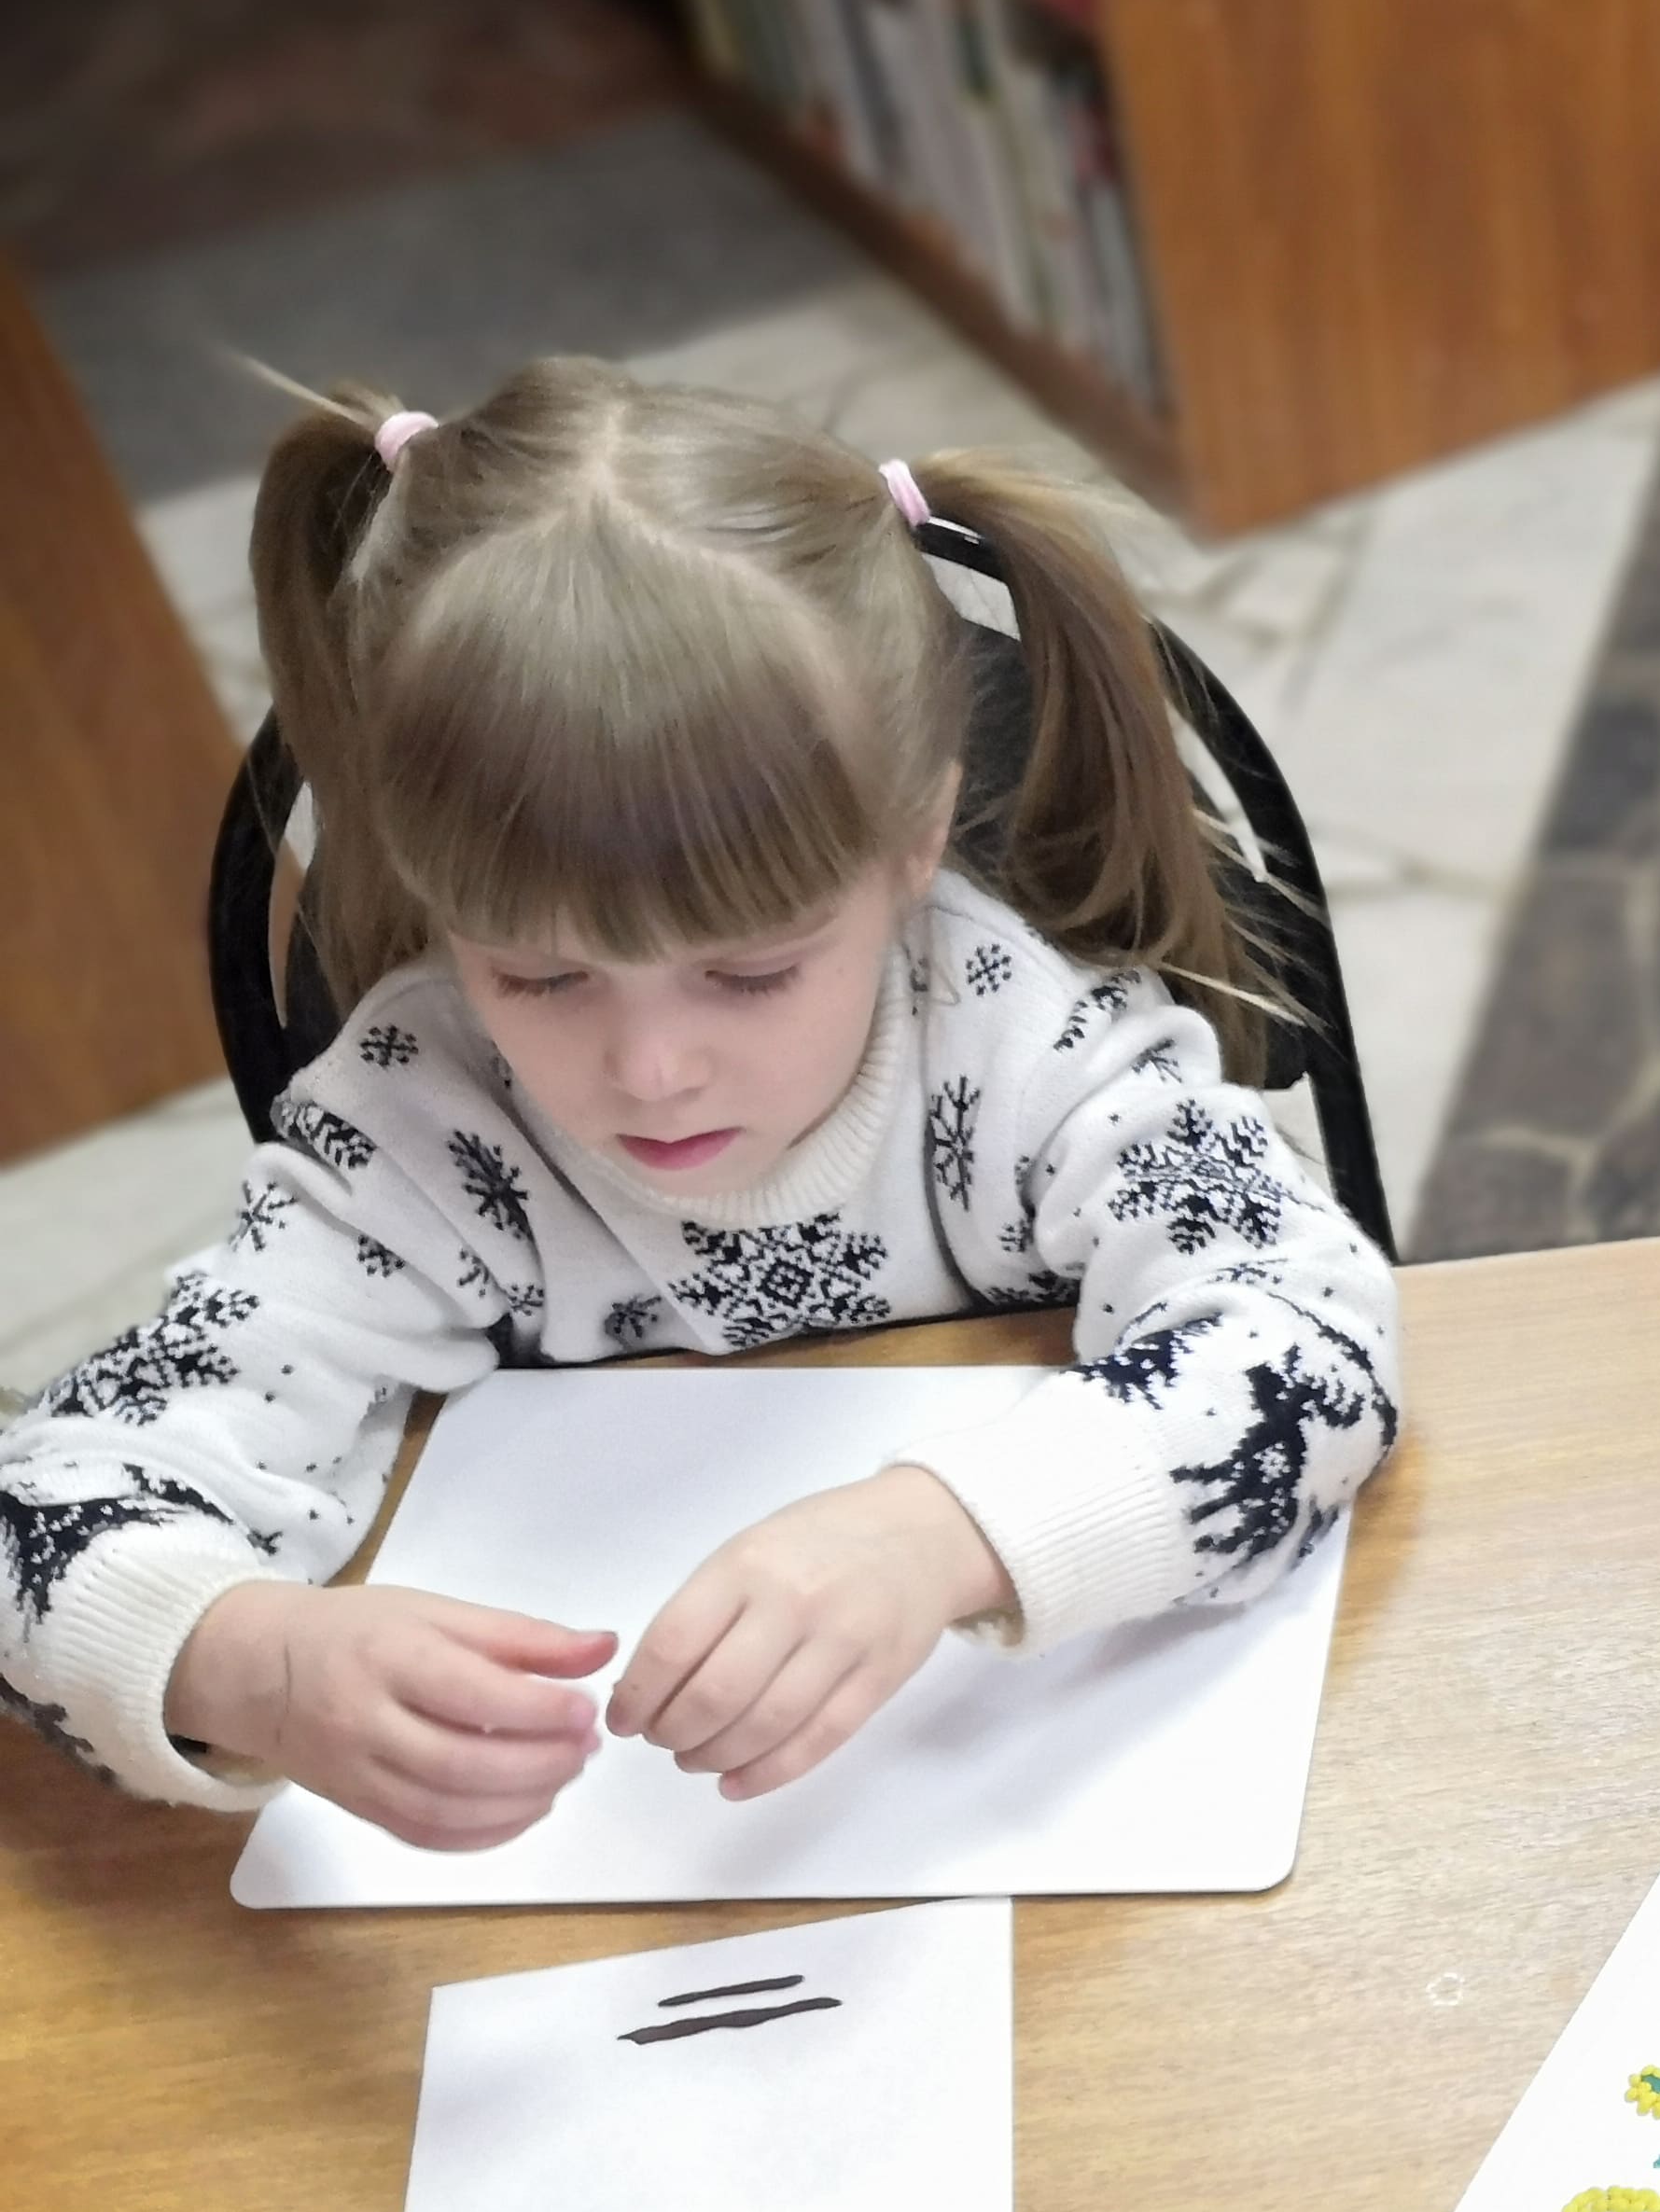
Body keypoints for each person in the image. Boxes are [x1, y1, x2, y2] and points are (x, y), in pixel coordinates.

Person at [0, 358, 1398, 1843]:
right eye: (540, 976)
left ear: (916, 840)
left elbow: (1313, 1337)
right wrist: (252, 1662)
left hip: (1065, 1805)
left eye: (750, 973)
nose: (652, 1069)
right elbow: (43, 1508)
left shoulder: (1018, 1045)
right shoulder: (422, 1126)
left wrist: (939, 1539)